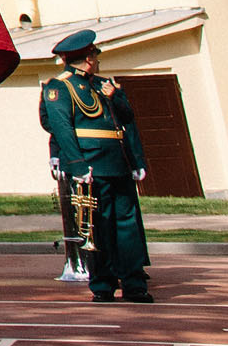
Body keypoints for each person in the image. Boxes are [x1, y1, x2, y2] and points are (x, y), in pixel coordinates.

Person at [41, 29, 150, 302]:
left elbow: (127, 120)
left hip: (118, 162)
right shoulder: (59, 87)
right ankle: (103, 285)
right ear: (88, 58)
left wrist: (136, 160)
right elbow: (61, 128)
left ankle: (134, 282)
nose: (97, 60)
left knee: (127, 225)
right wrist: (77, 165)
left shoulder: (104, 84)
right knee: (98, 227)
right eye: (95, 55)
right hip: (90, 165)